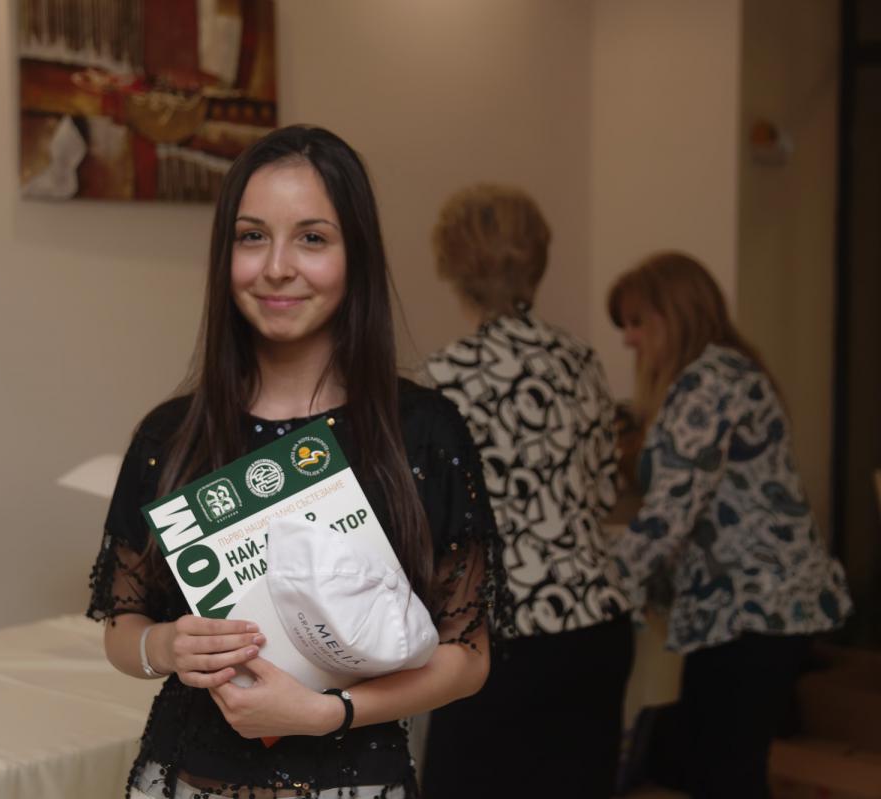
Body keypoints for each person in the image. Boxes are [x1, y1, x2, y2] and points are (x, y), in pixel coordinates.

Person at [86, 125, 510, 799]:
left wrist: (329, 712)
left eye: (312, 238)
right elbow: (122, 628)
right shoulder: (172, 434)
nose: (277, 266)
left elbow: (468, 656)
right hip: (185, 779)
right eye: (252, 236)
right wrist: (165, 646)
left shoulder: (423, 432)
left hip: (355, 782)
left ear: (356, 255)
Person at [607, 251, 852, 799]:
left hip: (754, 607)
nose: (629, 339)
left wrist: (598, 587)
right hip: (744, 609)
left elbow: (670, 513)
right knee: (716, 764)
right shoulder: (725, 372)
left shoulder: (710, 383)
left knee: (726, 772)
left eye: (637, 322)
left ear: (674, 313)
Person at [421, 184, 633, 798]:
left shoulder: (445, 377)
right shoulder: (581, 361)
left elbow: (431, 523)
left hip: (500, 633)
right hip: (595, 622)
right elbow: (603, 492)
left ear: (453, 267)